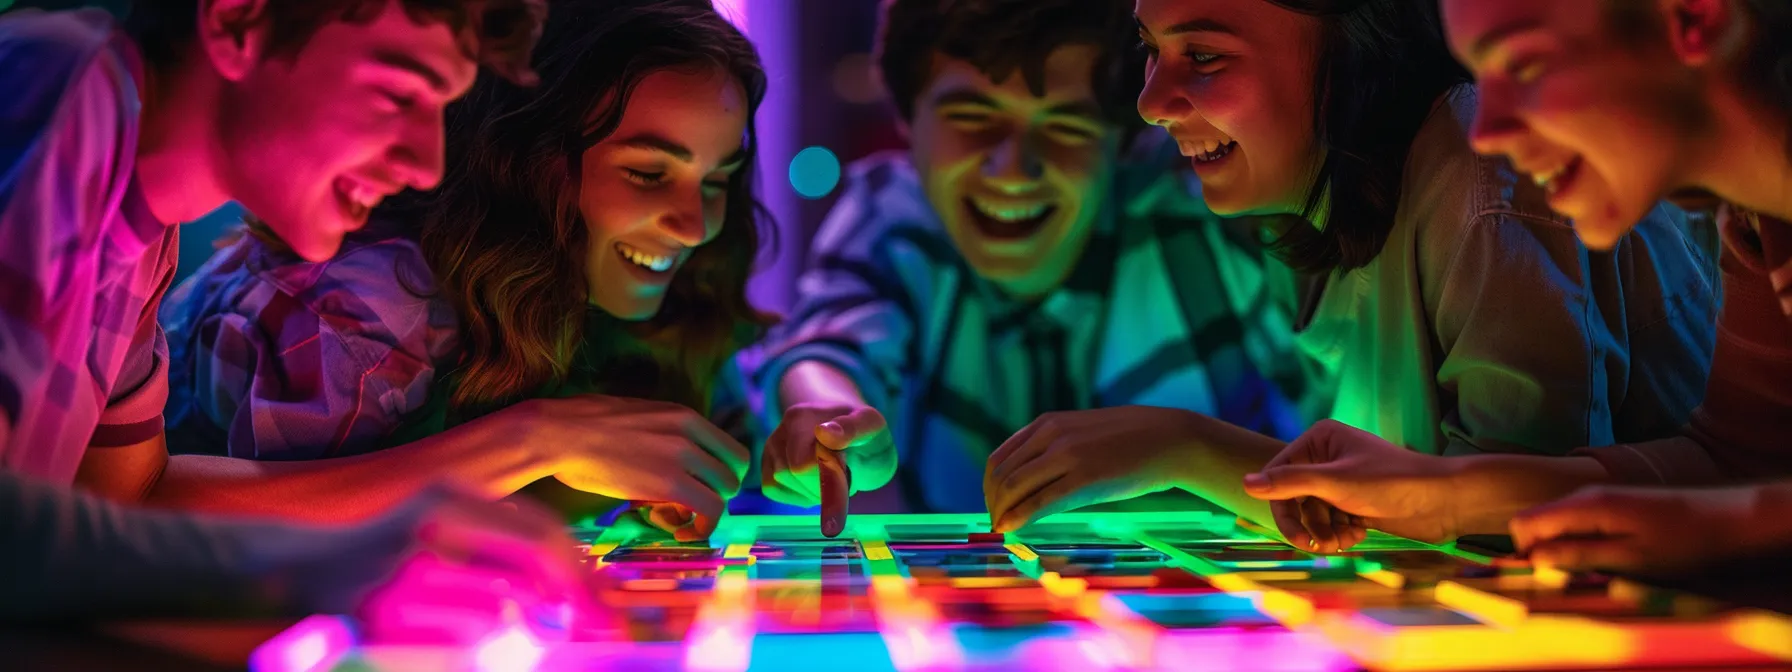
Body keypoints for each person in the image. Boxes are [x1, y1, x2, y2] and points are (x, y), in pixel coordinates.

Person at [980, 0, 1720, 535]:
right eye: (1151, 51)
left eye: (1203, 56)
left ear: (1356, 48)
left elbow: (1508, 531)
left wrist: (1184, 447)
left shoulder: (1476, 159)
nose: (1148, 103)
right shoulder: (1306, 207)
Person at [0, 0, 589, 633]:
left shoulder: (148, 237)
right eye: (398, 94)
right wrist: (310, 565)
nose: (427, 164)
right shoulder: (57, 76)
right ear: (237, 22)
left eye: (440, 112)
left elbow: (123, 503)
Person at [158, 0, 772, 541]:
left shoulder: (636, 289)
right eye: (647, 174)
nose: (696, 226)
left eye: (718, 180)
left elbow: (742, 410)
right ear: (524, 156)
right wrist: (538, 441)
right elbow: (255, 554)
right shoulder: (364, 311)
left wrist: (804, 424)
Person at [1241, 0, 1792, 577]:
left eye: (1524, 67)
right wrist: (1441, 497)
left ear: (1694, 17)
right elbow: (1735, 459)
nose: (1486, 133)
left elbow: (1734, 486)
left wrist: (1729, 526)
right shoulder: (1755, 221)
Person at [744, 0, 1330, 517]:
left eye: (1065, 126)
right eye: (972, 118)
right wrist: (825, 415)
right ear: (908, 123)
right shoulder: (892, 218)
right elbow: (830, 344)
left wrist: (1189, 449)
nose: (1012, 167)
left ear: (1125, 141)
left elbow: (1352, 460)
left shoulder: (1210, 218)